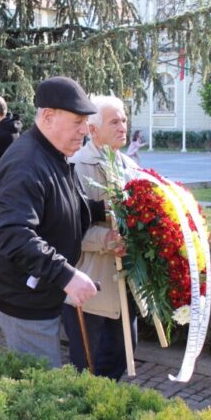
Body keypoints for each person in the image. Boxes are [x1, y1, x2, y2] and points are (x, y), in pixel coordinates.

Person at [0, 76, 106, 367]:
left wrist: (102, 210)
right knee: (41, 384)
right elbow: (14, 235)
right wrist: (66, 276)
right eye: (77, 122)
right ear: (48, 117)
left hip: (37, 289)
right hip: (23, 296)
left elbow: (63, 203)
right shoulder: (27, 163)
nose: (85, 132)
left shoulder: (52, 153)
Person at [63, 95, 138, 380]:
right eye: (114, 121)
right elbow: (65, 229)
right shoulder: (76, 167)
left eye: (124, 120)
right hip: (90, 288)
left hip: (123, 288)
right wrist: (105, 239)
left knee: (121, 361)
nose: (122, 126)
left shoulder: (131, 166)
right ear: (93, 130)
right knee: (90, 368)